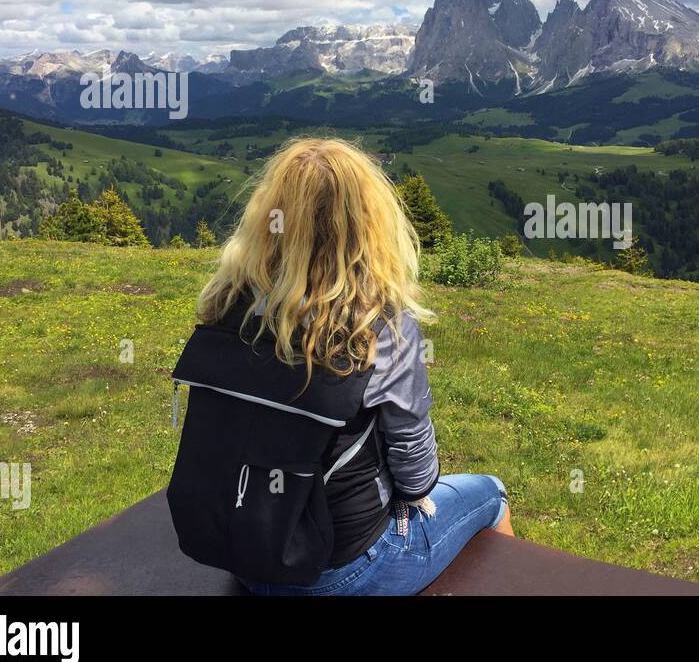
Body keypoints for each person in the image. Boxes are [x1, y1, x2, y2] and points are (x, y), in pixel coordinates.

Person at [192, 137, 511, 595]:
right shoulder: (381, 321)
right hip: (341, 571)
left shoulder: (228, 302)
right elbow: (415, 474)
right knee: (492, 493)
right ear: (369, 223)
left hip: (246, 551)